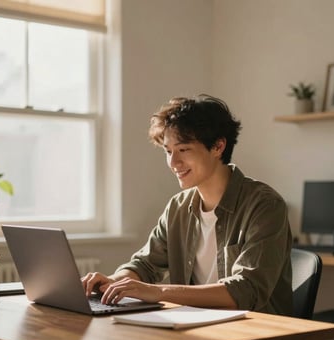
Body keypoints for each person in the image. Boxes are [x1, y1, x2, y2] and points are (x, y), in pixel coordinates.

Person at [82, 94, 293, 316]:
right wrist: (112, 282)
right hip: (195, 328)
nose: (173, 163)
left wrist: (158, 291)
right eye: (168, 151)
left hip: (257, 335)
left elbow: (247, 290)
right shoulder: (178, 207)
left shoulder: (265, 205)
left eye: (183, 150)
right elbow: (145, 265)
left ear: (218, 146)